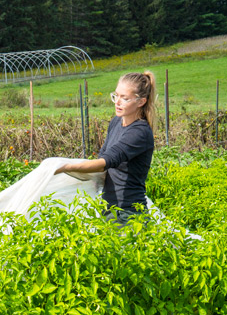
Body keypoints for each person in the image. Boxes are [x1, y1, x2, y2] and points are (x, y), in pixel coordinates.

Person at [54, 71, 157, 225]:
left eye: (125, 98)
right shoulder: (116, 122)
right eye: (116, 96)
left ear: (141, 101)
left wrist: (64, 167)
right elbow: (103, 157)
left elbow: (106, 161)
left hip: (129, 214)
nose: (118, 102)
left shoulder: (139, 132)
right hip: (109, 208)